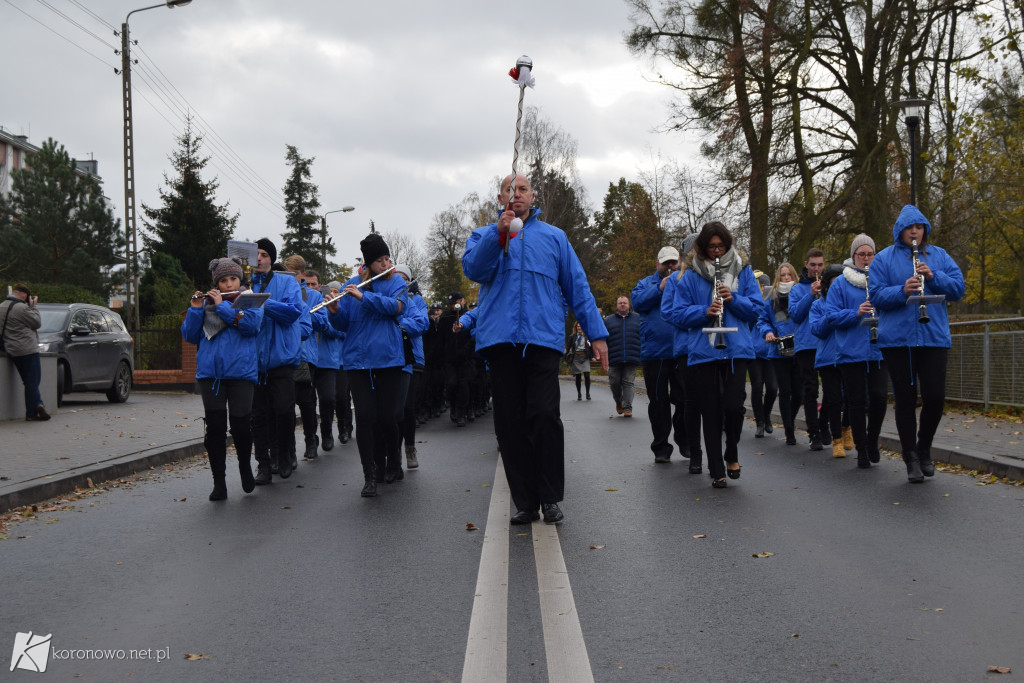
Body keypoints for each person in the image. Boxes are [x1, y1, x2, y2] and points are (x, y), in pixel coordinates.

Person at [462, 172, 608, 525]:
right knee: (509, 424)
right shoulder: (484, 235)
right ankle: (525, 501)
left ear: (532, 195)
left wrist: (597, 335)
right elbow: (475, 270)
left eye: (523, 189)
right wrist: (499, 234)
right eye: (509, 191)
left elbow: (578, 287)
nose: (517, 195)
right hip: (500, 342)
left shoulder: (555, 238)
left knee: (544, 416)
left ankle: (550, 497)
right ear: (500, 199)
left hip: (541, 341)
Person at [868, 205, 965, 482]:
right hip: (898, 340)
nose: (915, 232)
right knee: (905, 399)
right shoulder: (884, 258)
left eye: (919, 227)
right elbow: (875, 296)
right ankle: (910, 456)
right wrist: (903, 290)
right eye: (910, 228)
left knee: (935, 397)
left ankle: (924, 448)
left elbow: (958, 289)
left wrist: (934, 277)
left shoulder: (940, 256)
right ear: (901, 231)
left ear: (925, 230)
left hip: (933, 336)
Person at [661, 221, 761, 488]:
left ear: (728, 246)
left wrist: (734, 300)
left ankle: (731, 453)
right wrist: (704, 311)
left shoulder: (744, 271)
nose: (716, 252)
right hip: (703, 350)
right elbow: (677, 314)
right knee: (711, 411)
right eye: (711, 247)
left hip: (736, 348)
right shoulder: (690, 276)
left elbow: (756, 309)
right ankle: (716, 468)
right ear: (702, 249)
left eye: (721, 247)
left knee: (734, 407)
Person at [327, 233, 407, 496]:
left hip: (387, 360)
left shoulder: (396, 282)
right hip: (357, 362)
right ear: (369, 263)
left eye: (387, 259)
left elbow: (396, 308)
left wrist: (365, 298)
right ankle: (369, 475)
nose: (386, 264)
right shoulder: (352, 284)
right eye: (380, 260)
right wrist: (335, 311)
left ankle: (394, 461)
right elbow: (343, 325)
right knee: (365, 417)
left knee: (388, 418)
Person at [181, 258, 263, 500]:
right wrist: (196, 308)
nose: (228, 284)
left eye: (233, 279)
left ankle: (245, 467)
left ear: (240, 279)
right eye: (223, 280)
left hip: (241, 373)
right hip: (211, 375)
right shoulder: (206, 302)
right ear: (216, 282)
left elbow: (250, 326)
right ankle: (219, 482)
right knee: (215, 428)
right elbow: (190, 335)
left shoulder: (251, 300)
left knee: (240, 425)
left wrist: (223, 307)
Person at [827, 234, 887, 468]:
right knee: (857, 401)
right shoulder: (841, 282)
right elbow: (831, 315)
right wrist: (856, 313)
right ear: (853, 257)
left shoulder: (881, 280)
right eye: (861, 254)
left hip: (879, 349)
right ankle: (862, 448)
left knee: (880, 398)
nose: (866, 258)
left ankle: (872, 441)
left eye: (870, 254)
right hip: (850, 351)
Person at [250, 238, 305, 485]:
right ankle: (263, 464)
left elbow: (293, 312)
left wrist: (259, 300)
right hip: (253, 363)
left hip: (281, 360)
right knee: (259, 416)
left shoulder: (287, 282)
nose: (259, 259)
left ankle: (284, 454)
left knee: (283, 410)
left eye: (263, 254)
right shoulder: (243, 284)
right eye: (255, 255)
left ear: (271, 258)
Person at [632, 246, 688, 463]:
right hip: (654, 354)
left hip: (680, 351)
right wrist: (660, 289)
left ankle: (684, 441)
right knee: (658, 403)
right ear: (658, 264)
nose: (670, 267)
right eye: (666, 263)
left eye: (673, 262)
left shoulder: (685, 280)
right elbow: (637, 302)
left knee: (684, 400)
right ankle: (661, 447)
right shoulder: (645, 283)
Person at [758, 263, 802, 445]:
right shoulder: (771, 298)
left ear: (794, 276)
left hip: (799, 349)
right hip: (778, 350)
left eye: (788, 275)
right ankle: (789, 430)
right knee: (785, 391)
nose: (785, 278)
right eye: (782, 275)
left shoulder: (800, 295)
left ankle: (790, 420)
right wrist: (767, 331)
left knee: (799, 393)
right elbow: (762, 320)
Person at [789, 247, 827, 451]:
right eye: (813, 265)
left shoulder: (830, 285)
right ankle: (814, 433)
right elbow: (795, 315)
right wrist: (811, 294)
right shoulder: (796, 289)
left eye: (820, 265)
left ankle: (824, 425)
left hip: (827, 342)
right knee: (810, 390)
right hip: (806, 345)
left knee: (831, 389)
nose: (816, 269)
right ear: (806, 265)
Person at [284, 255, 320, 462]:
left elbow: (322, 323)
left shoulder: (312, 296)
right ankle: (289, 448)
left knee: (307, 403)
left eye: (293, 274)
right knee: (286, 404)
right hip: (287, 354)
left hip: (307, 355)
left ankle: (311, 440)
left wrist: (307, 313)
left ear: (302, 275)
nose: (290, 278)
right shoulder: (282, 292)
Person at [394, 264, 429, 469]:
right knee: (394, 409)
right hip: (392, 358)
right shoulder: (388, 298)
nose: (400, 282)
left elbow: (421, 324)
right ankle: (394, 449)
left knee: (407, 407)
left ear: (408, 282)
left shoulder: (416, 300)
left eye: (403, 279)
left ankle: (410, 447)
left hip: (413, 358)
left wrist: (397, 323)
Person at [809, 264, 846, 458]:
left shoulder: (848, 300)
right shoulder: (818, 305)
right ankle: (837, 439)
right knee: (834, 399)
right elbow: (817, 330)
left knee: (851, 398)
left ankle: (844, 425)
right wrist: (832, 316)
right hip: (827, 358)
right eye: (832, 284)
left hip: (848, 354)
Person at [1, 284, 50, 422]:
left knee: (28, 382)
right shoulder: (22, 308)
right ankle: (32, 412)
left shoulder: (1, 306)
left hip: (11, 349)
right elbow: (37, 323)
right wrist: (33, 306)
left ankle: (38, 405)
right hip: (27, 349)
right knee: (32, 382)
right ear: (24, 296)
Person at [749, 271, 778, 439]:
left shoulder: (773, 301)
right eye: (758, 285)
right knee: (757, 387)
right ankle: (759, 423)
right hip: (754, 351)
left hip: (770, 350)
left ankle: (766, 415)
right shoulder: (752, 301)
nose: (761, 289)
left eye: (763, 286)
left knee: (773, 388)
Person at [603, 296, 642, 417]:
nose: (622, 305)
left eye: (625, 302)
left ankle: (627, 408)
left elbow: (644, 336)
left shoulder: (638, 319)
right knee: (614, 382)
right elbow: (603, 339)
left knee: (628, 382)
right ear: (617, 305)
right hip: (614, 358)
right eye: (620, 303)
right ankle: (618, 401)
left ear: (629, 304)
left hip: (632, 356)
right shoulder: (608, 321)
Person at [564, 322, 593, 400]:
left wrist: (592, 356)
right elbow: (568, 347)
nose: (579, 328)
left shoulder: (588, 336)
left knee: (587, 375)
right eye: (578, 326)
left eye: (581, 326)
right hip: (576, 357)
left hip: (585, 357)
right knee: (578, 376)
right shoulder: (572, 337)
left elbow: (591, 347)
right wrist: (565, 358)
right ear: (576, 327)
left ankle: (587, 393)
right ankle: (579, 393)